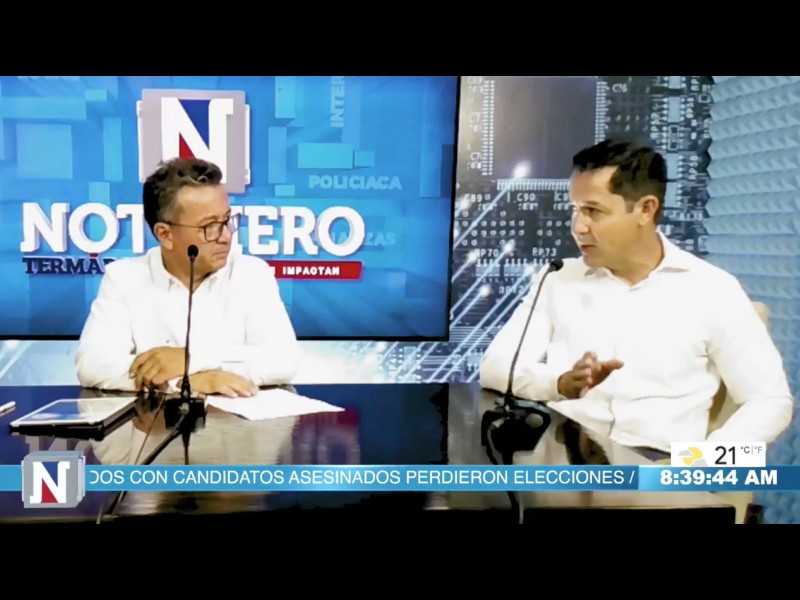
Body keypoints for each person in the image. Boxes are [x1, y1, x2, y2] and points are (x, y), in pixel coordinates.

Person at [479, 138, 793, 456]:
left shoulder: (713, 290)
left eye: (593, 211)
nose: (578, 227)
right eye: (575, 209)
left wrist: (698, 465)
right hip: (569, 458)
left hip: (659, 465)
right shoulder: (558, 279)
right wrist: (559, 384)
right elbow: (494, 368)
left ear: (645, 209)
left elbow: (770, 401)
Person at [75, 157, 300, 397]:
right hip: (155, 420)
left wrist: (192, 359)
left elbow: (282, 359)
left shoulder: (252, 274)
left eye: (227, 220)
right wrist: (187, 381)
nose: (225, 236)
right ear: (165, 234)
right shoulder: (124, 278)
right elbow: (93, 364)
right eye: (209, 226)